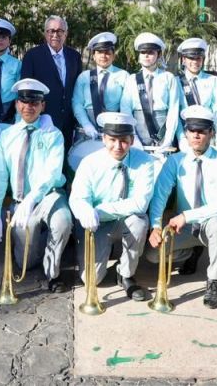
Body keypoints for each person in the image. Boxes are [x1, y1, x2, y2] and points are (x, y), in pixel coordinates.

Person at [148, 106, 217, 309]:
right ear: (186, 133)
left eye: (202, 131)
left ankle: (214, 279)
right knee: (153, 256)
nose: (196, 135)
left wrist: (187, 215)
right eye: (192, 130)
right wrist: (155, 226)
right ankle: (192, 251)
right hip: (184, 228)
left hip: (208, 224)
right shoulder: (175, 161)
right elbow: (160, 195)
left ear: (211, 133)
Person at [0, 78, 73, 292]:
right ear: (17, 104)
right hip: (20, 202)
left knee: (63, 221)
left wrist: (32, 199)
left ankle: (53, 273)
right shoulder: (6, 136)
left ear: (42, 106)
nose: (29, 107)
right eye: (24, 102)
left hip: (49, 195)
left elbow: (53, 172)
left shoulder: (53, 134)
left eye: (35, 103)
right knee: (25, 262)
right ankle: (43, 242)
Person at [70, 112, 154, 301]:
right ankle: (97, 254)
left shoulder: (145, 161)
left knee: (139, 223)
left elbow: (140, 203)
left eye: (124, 140)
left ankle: (125, 274)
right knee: (91, 279)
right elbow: (78, 198)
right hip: (97, 225)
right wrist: (86, 211)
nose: (118, 146)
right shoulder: (90, 163)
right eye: (112, 140)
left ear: (132, 140)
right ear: (103, 139)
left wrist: (98, 211)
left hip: (122, 219)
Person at [20, 15, 82, 151]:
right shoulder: (32, 56)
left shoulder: (74, 56)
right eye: (51, 31)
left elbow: (77, 89)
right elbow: (26, 90)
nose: (55, 34)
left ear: (65, 34)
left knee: (64, 158)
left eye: (60, 31)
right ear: (45, 33)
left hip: (67, 122)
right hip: (42, 120)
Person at [119, 33, 181, 151]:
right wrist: (133, 136)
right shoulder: (132, 79)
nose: (146, 55)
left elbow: (173, 109)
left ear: (159, 55)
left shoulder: (168, 77)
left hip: (163, 130)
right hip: (138, 131)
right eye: (143, 52)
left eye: (151, 52)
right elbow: (126, 109)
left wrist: (169, 137)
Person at [71, 32, 128, 140]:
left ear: (113, 56)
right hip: (86, 130)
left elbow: (126, 105)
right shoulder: (84, 77)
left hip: (113, 129)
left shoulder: (123, 75)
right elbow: (77, 103)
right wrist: (86, 124)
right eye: (99, 52)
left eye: (107, 52)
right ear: (93, 56)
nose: (103, 56)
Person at [175, 37, 217, 152]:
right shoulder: (176, 81)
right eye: (191, 58)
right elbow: (175, 114)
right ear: (184, 59)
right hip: (187, 135)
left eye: (198, 58)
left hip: (207, 135)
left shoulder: (213, 80)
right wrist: (182, 138)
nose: (195, 62)